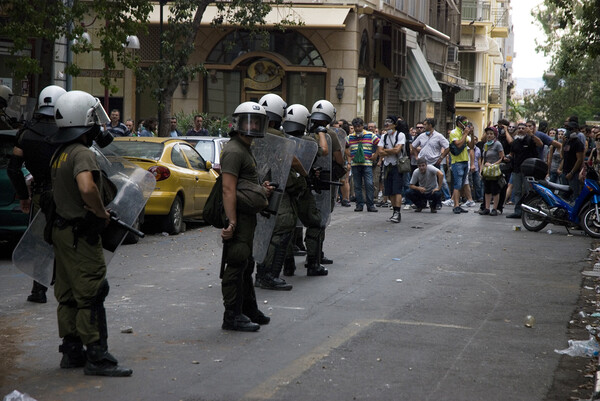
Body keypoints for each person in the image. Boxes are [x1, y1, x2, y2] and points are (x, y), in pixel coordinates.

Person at [49, 90, 132, 376]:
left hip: (61, 233)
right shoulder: (82, 153)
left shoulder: (60, 153)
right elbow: (87, 187)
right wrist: (100, 212)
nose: (99, 125)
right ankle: (97, 356)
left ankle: (72, 352)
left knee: (69, 294)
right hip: (80, 235)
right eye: (94, 118)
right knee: (93, 292)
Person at [7, 84, 66, 303]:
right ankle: (64, 287)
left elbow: (13, 169)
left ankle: (38, 290)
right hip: (64, 194)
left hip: (40, 194)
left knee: (41, 243)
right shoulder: (67, 132)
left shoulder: (26, 133)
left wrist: (23, 196)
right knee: (66, 239)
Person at [220, 101, 274, 331]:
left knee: (246, 263)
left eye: (257, 121)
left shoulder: (245, 147)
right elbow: (228, 189)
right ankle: (231, 316)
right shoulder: (234, 150)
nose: (252, 125)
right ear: (237, 123)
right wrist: (231, 222)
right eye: (248, 121)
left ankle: (248, 309)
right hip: (238, 218)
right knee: (236, 262)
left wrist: (262, 189)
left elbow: (245, 184)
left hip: (246, 217)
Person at [254, 93, 296, 291]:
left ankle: (263, 273)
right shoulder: (278, 136)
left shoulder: (251, 132)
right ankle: (268, 274)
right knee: (281, 229)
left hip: (254, 188)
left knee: (261, 232)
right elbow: (293, 159)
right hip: (273, 188)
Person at [505, 122, 543, 218]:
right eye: (519, 128)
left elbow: (540, 144)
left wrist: (531, 134)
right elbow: (512, 153)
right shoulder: (515, 142)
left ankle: (530, 212)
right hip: (517, 169)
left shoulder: (530, 139)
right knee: (517, 191)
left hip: (529, 171)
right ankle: (518, 211)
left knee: (529, 191)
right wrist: (507, 158)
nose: (521, 130)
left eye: (523, 128)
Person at [411, 117, 450, 208]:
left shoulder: (439, 136)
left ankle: (438, 203)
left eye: (425, 124)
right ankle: (422, 202)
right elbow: (413, 146)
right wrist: (417, 156)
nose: (424, 126)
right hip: (422, 162)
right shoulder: (421, 136)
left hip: (434, 162)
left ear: (430, 125)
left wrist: (441, 157)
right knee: (422, 181)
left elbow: (448, 147)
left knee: (439, 181)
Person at [377, 119, 406, 223]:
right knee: (389, 191)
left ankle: (397, 213)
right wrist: (389, 151)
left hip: (397, 165)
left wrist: (385, 151)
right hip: (387, 165)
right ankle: (394, 212)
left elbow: (397, 150)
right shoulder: (384, 136)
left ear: (394, 125)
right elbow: (379, 152)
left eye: (389, 122)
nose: (386, 124)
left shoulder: (400, 135)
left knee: (397, 190)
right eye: (385, 122)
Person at [445, 116, 475, 214]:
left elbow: (471, 146)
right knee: (457, 184)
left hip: (465, 161)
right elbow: (458, 144)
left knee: (461, 184)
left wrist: (472, 133)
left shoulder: (464, 133)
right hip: (457, 162)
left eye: (467, 122)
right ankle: (456, 205)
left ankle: (458, 204)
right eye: (464, 122)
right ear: (459, 123)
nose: (466, 124)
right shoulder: (454, 133)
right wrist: (465, 134)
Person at [348, 117, 379, 212]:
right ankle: (359, 204)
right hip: (355, 164)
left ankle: (370, 204)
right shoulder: (350, 137)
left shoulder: (370, 135)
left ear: (362, 126)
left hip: (367, 163)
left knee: (369, 184)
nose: (357, 129)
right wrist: (349, 155)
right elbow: (345, 146)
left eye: (359, 126)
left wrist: (375, 155)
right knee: (357, 185)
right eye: (355, 127)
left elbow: (380, 144)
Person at [478, 126, 505, 216]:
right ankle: (487, 208)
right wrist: (481, 170)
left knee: (495, 190)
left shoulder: (497, 144)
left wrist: (493, 165)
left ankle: (494, 208)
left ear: (494, 135)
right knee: (487, 190)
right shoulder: (485, 145)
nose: (489, 135)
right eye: (488, 134)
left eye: (491, 134)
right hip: (487, 171)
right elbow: (484, 158)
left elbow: (502, 157)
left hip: (495, 171)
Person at [558, 121, 585, 200]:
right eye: (567, 128)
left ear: (576, 130)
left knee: (574, 195)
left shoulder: (578, 143)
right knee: (564, 195)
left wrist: (572, 172)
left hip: (573, 173)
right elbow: (563, 155)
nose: (569, 130)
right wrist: (563, 143)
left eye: (571, 129)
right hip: (565, 171)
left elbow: (579, 159)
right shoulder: (567, 141)